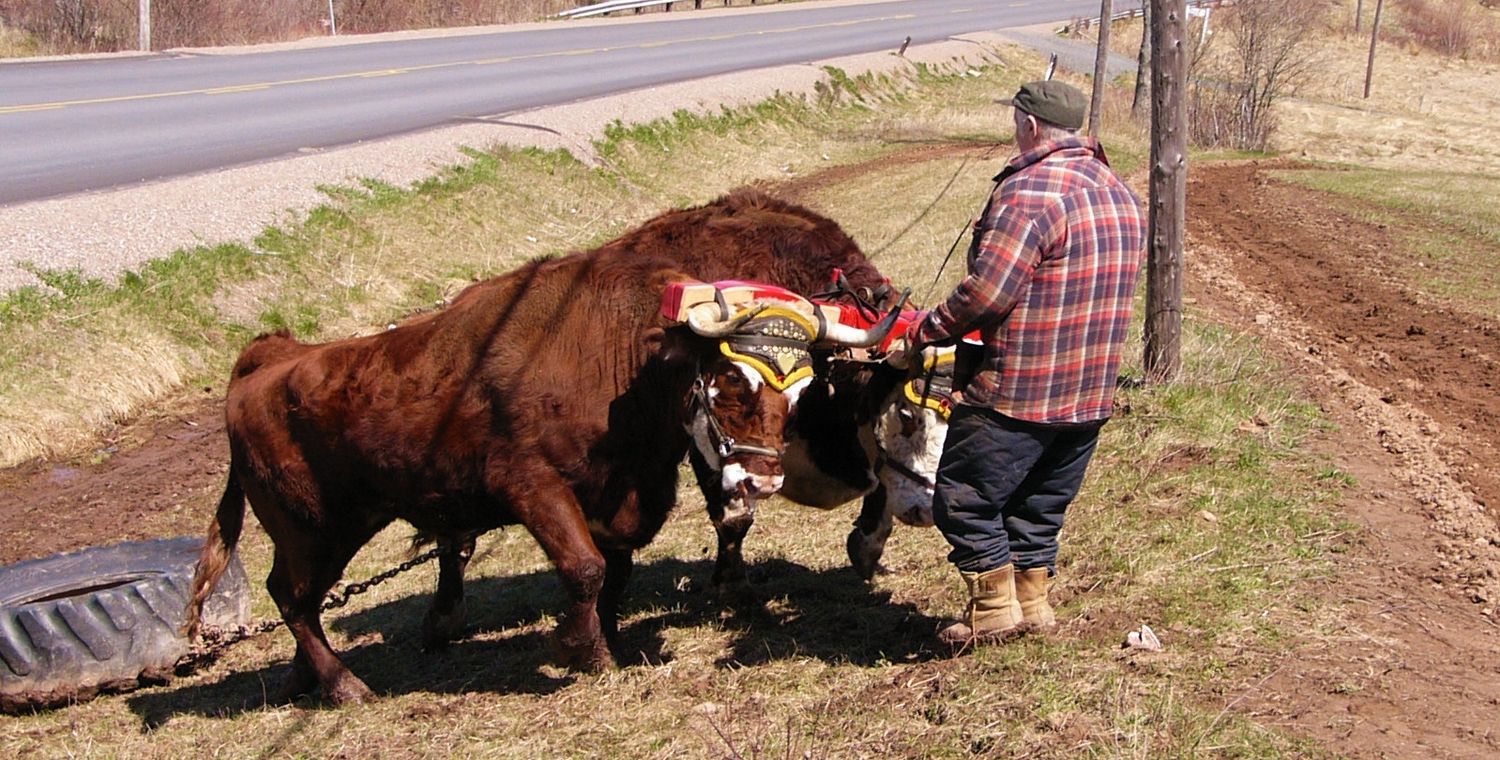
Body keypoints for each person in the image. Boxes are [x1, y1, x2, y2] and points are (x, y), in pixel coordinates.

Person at [903, 80, 1147, 649]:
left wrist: (925, 330)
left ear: (1030, 125)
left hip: (1018, 390)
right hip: (1091, 392)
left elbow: (988, 293)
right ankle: (1032, 604)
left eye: (1016, 121)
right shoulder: (1119, 190)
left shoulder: (1031, 192)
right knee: (1040, 504)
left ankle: (994, 611)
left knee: (964, 499)